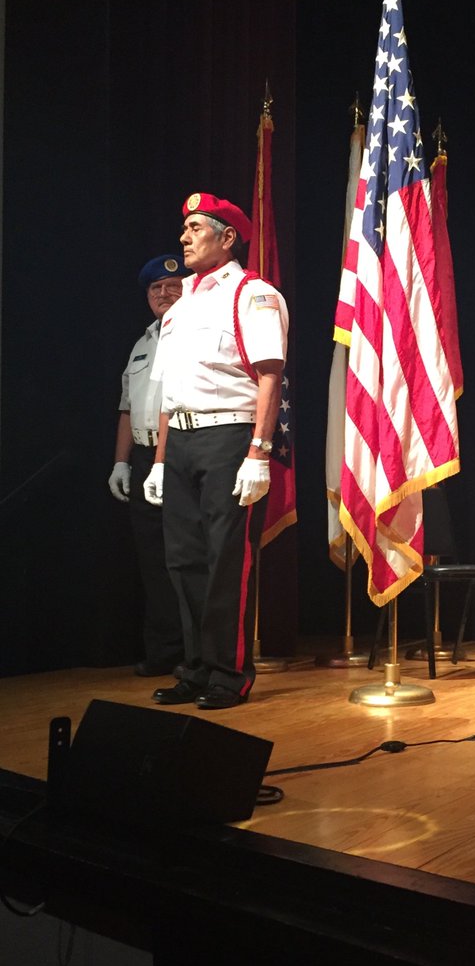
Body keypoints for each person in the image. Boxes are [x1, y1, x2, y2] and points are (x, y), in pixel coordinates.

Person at [143, 192, 289, 710]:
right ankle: (196, 668)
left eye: (196, 228)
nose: (184, 237)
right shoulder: (180, 302)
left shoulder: (253, 293)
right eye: (184, 228)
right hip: (181, 440)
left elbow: (269, 375)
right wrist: (159, 461)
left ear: (227, 238)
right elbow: (169, 390)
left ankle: (229, 674)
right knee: (183, 562)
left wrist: (259, 452)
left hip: (229, 437)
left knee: (226, 559)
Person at [108, 254, 189, 676]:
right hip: (142, 456)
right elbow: (127, 408)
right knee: (152, 560)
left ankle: (193, 654)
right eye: (156, 288)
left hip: (180, 453)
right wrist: (121, 463)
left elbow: (176, 404)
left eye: (173, 286)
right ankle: (163, 652)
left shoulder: (192, 334)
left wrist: (161, 461)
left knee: (183, 557)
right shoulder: (141, 344)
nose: (164, 293)